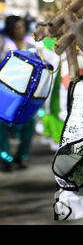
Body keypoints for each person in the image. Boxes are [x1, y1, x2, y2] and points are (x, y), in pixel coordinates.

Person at [0, 15, 36, 171]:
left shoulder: (31, 42)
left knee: (29, 123)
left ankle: (22, 157)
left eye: (22, 26)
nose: (20, 30)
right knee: (2, 126)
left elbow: (52, 47)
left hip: (27, 92)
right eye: (16, 27)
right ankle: (5, 158)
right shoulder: (3, 43)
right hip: (6, 91)